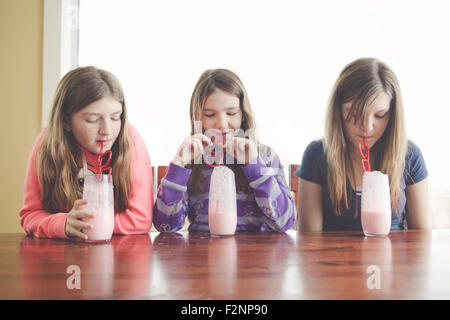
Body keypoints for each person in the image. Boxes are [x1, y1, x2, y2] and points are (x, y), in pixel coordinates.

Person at [296, 57, 431, 231]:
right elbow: (309, 240)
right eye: (354, 113)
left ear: (392, 115)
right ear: (338, 110)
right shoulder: (317, 155)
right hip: (335, 257)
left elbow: (421, 238)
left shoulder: (409, 156)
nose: (366, 127)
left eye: (380, 115)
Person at [153, 69, 295, 232]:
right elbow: (166, 226)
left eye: (231, 113)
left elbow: (284, 222)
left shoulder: (265, 157)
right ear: (197, 117)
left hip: (256, 255)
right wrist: (177, 167)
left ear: (243, 113)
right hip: (204, 253)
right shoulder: (193, 162)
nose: (222, 124)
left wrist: (255, 166)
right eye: (210, 115)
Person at [20, 66, 153, 240]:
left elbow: (140, 220)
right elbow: (30, 215)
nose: (107, 130)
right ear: (66, 121)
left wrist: (87, 226)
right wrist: (63, 224)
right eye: (92, 120)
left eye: (115, 117)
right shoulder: (46, 145)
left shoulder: (131, 140)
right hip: (62, 259)